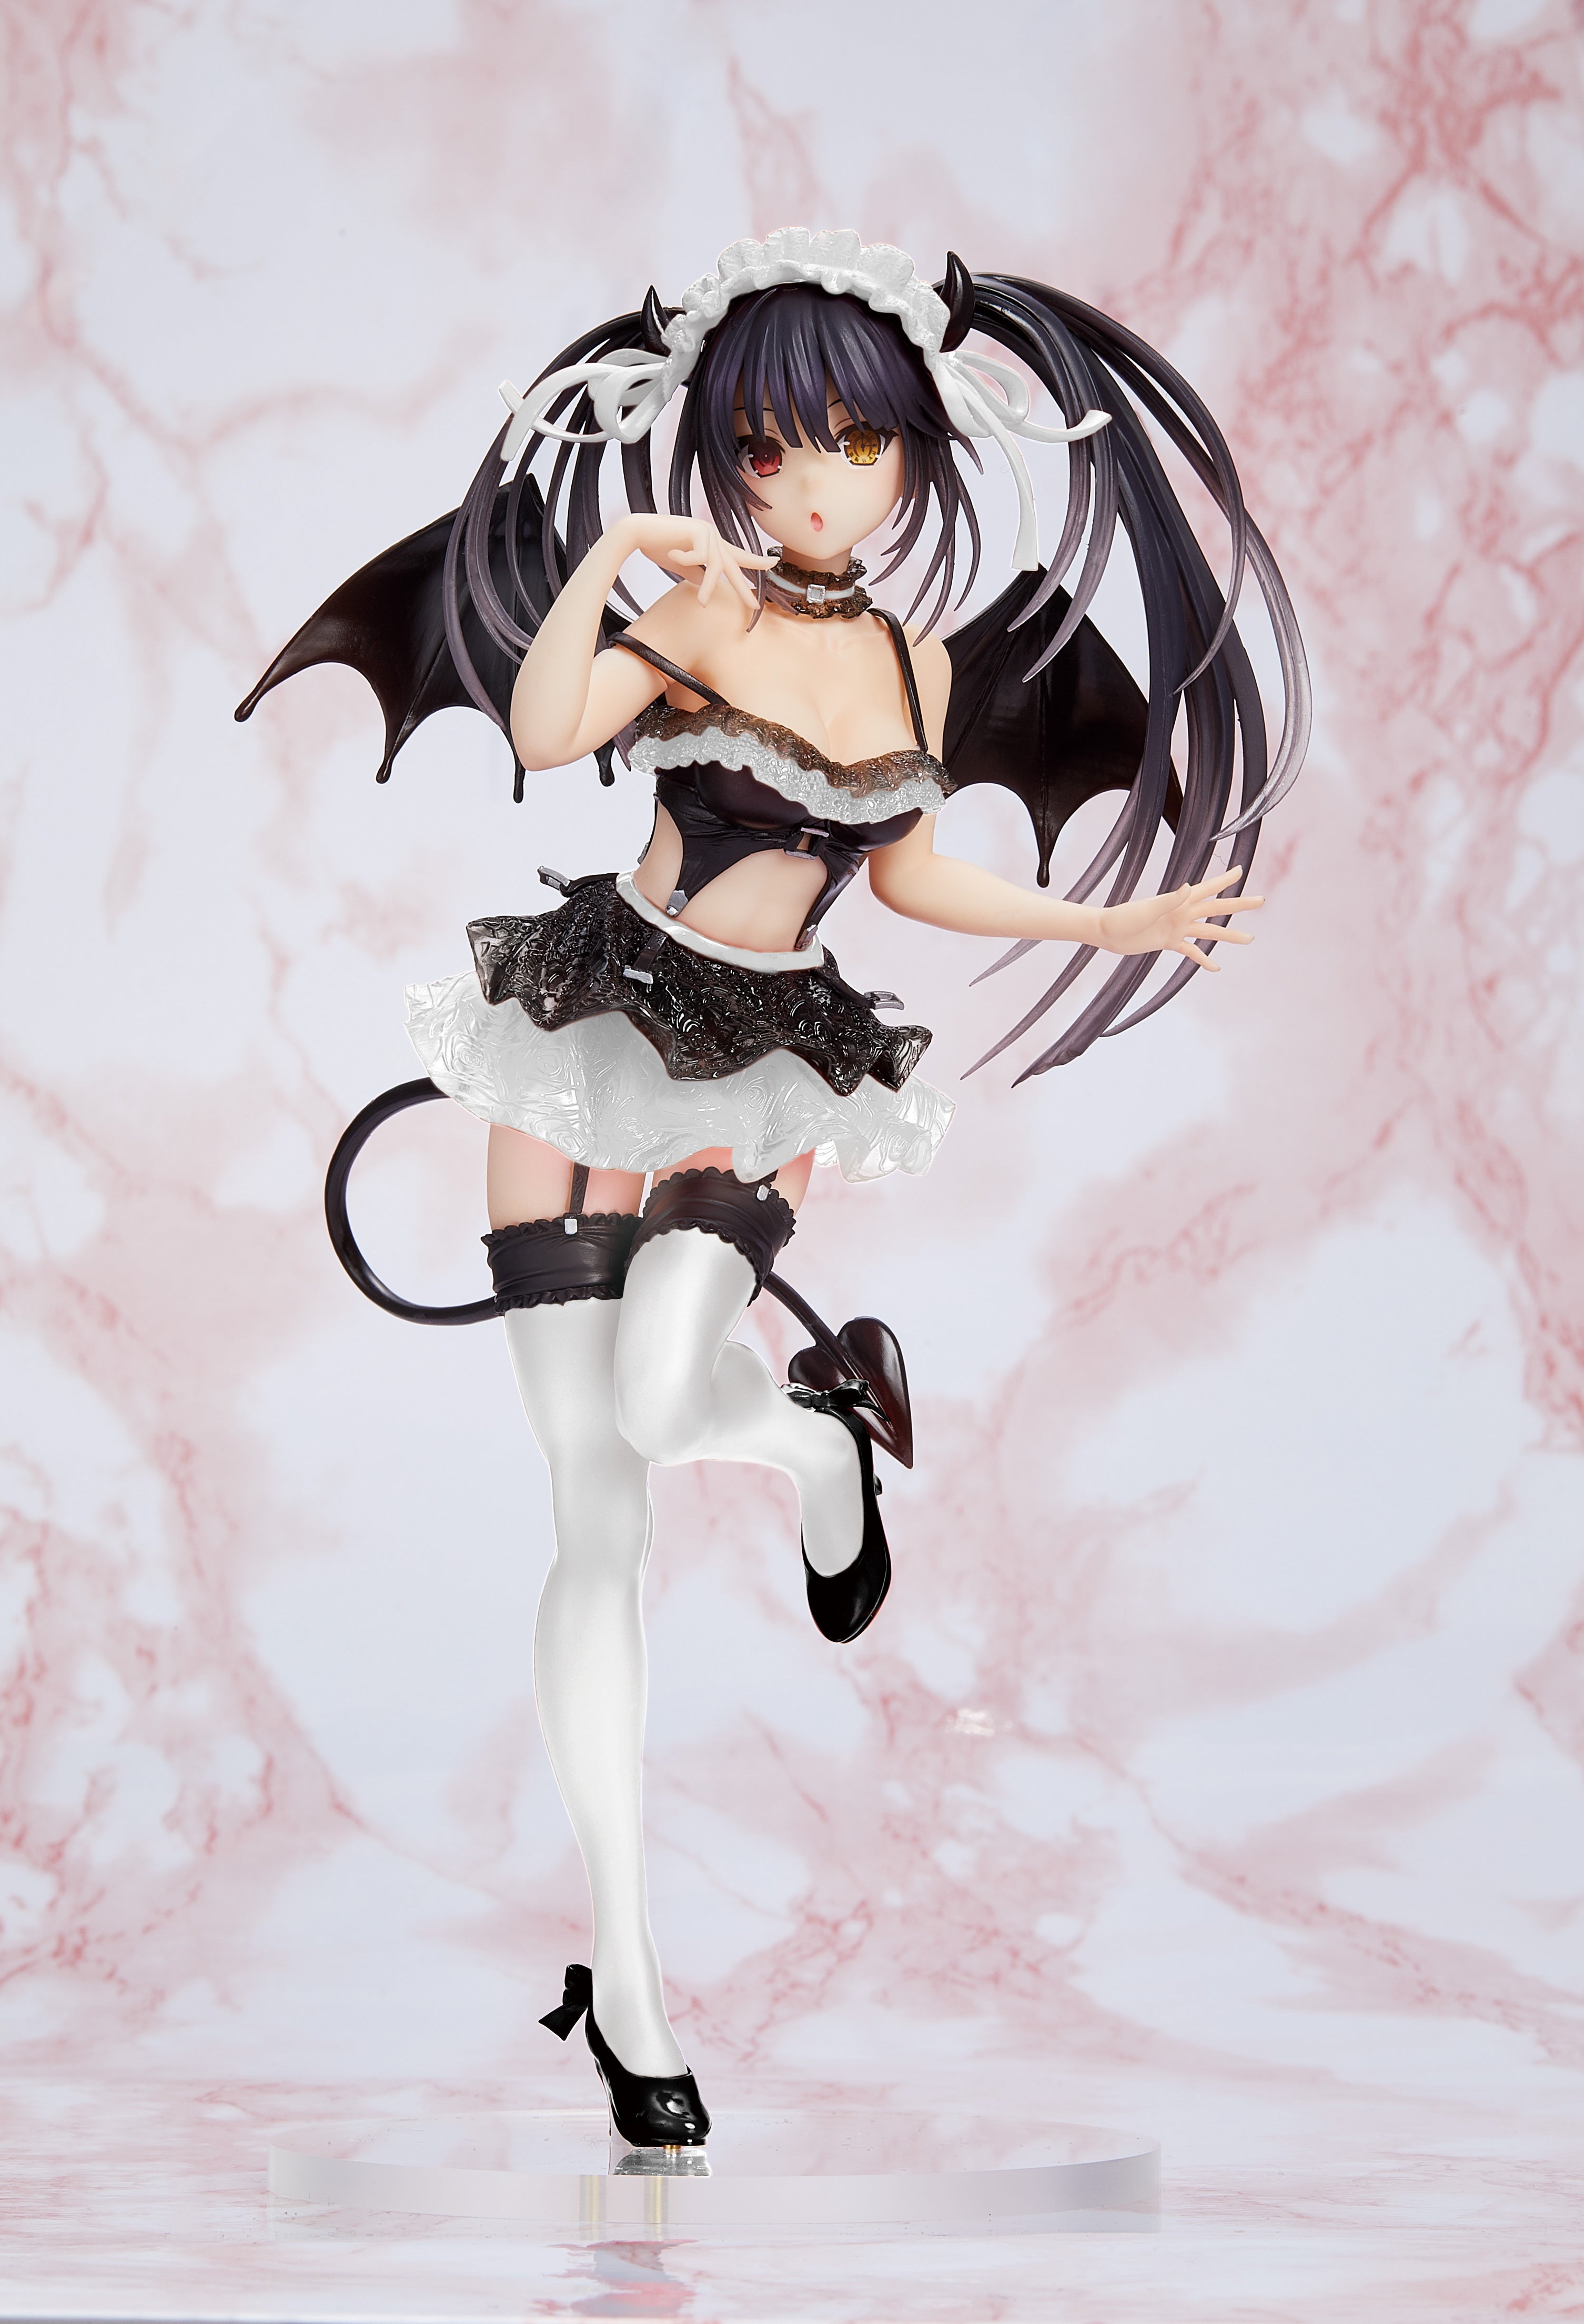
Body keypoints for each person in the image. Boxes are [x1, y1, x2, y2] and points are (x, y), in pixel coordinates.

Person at [238, 229, 1307, 2147]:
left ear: (913, 452)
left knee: (667, 1400)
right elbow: (550, 734)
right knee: (593, 1518)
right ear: (727, 455)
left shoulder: (913, 657)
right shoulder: (703, 604)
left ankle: (819, 1441)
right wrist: (605, 567)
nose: (817, 486)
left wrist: (1105, 916)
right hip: (585, 1022)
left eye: (858, 447)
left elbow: (905, 874)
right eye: (773, 449)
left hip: (768, 1060)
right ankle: (627, 1969)